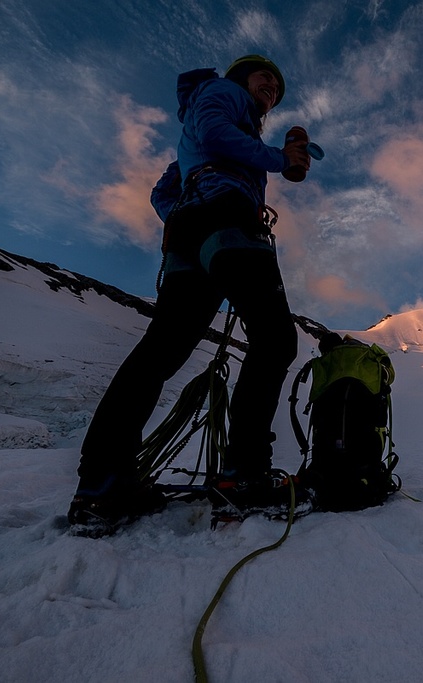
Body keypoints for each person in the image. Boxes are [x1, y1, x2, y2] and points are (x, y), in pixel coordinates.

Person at [68, 55, 312, 533]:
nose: (271, 88)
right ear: (242, 77)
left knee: (160, 353)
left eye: (277, 88)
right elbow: (220, 135)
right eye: (265, 77)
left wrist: (184, 215)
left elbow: (164, 188)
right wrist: (278, 161)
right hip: (226, 219)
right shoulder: (225, 95)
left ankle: (102, 486)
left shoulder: (201, 123)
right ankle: (243, 478)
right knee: (274, 338)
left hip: (191, 235)